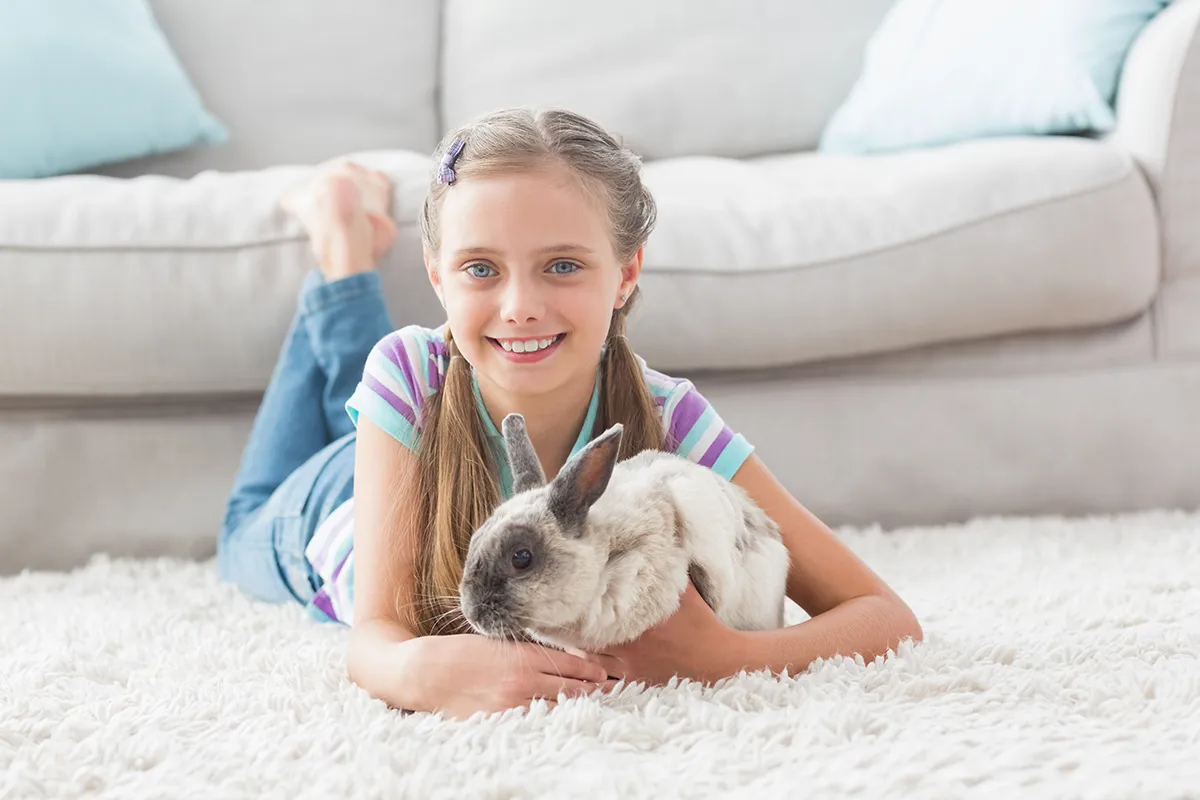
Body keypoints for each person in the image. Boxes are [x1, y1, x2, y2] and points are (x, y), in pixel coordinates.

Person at [217, 107, 923, 720]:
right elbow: (375, 640)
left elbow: (886, 618)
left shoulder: (668, 415)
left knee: (382, 397)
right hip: (323, 513)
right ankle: (341, 245)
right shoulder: (407, 375)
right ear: (437, 276)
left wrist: (731, 656)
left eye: (562, 265)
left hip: (412, 429)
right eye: (480, 269)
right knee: (240, 521)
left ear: (627, 272)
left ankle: (347, 251)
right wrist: (427, 671)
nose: (521, 305)